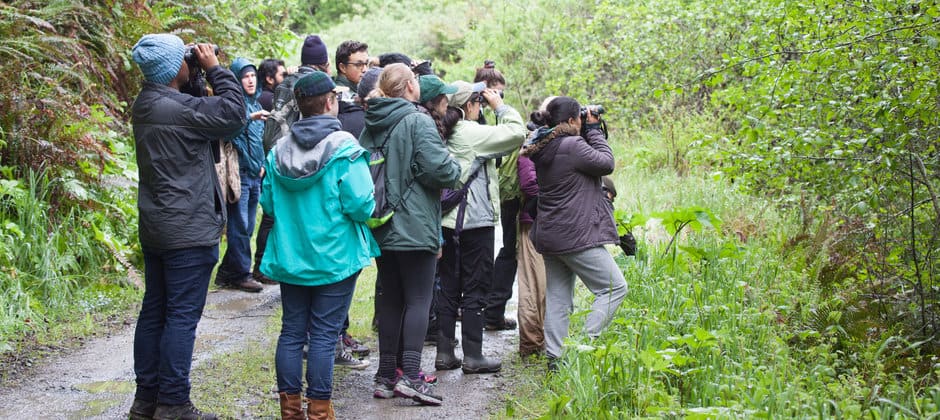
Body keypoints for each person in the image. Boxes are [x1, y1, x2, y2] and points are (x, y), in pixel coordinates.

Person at [128, 34, 246, 420]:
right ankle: (173, 402)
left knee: (155, 312)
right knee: (180, 316)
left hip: (158, 224)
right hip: (188, 228)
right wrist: (214, 69)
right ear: (171, 68)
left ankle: (146, 400)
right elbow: (233, 115)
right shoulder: (178, 109)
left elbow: (201, 110)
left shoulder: (147, 103)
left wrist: (194, 75)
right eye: (183, 58)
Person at [259, 71, 379, 420]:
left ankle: (290, 411)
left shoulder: (279, 150)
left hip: (291, 256)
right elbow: (361, 205)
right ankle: (320, 412)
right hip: (335, 258)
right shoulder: (345, 147)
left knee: (292, 331)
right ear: (329, 102)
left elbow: (268, 204)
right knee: (325, 336)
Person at [359, 63, 460, 405]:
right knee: (419, 299)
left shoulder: (372, 122)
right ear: (410, 87)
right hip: (414, 223)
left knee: (390, 299)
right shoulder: (417, 120)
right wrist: (455, 166)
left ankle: (387, 376)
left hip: (382, 223)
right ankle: (412, 377)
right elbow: (441, 170)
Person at [520, 96, 628, 370]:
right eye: (580, 118)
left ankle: (555, 359)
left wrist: (587, 130)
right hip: (575, 234)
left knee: (558, 298)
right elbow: (606, 163)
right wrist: (594, 131)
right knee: (614, 288)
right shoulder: (571, 145)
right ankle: (581, 347)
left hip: (550, 234)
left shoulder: (545, 145)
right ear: (571, 121)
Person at [434, 81, 525, 375]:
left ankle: (445, 353)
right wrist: (501, 107)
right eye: (478, 101)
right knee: (476, 285)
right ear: (469, 105)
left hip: (446, 221)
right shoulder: (469, 132)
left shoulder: (440, 129)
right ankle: (473, 355)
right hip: (473, 221)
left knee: (448, 286)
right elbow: (516, 134)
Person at [214, 57, 270, 293]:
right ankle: (241, 274)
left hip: (255, 174)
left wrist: (263, 164)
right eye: (245, 77)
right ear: (236, 80)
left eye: (252, 76)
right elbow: (227, 132)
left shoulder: (256, 105)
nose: (250, 80)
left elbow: (259, 141)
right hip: (239, 174)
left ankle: (227, 272)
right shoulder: (233, 107)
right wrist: (248, 119)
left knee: (247, 227)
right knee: (240, 226)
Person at [473, 61, 518, 331]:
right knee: (493, 255)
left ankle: (489, 310)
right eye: (496, 92)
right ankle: (487, 311)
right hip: (476, 196)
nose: (499, 98)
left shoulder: (483, 115)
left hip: (494, 190)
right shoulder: (471, 117)